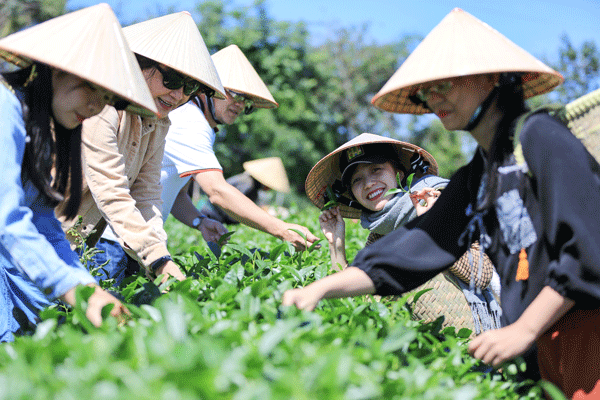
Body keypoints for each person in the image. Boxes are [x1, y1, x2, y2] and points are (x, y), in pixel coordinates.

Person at [283, 8, 600, 399]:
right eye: (426, 91)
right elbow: (420, 244)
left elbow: (589, 249)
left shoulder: (539, 137)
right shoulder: (478, 174)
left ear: (493, 76)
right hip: (545, 346)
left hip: (586, 331)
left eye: (445, 85)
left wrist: (524, 329)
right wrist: (319, 289)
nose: (434, 99)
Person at [0, 4, 157, 341]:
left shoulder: (38, 129)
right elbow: (5, 220)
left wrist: (87, 288)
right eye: (91, 88)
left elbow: (43, 221)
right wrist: (71, 288)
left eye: (107, 97)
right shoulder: (4, 108)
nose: (97, 105)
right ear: (56, 70)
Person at [57, 11, 226, 287]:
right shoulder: (103, 107)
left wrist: (159, 255)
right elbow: (110, 189)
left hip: (70, 247)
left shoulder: (158, 124)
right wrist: (158, 260)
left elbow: (146, 195)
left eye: (190, 87)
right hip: (31, 235)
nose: (178, 95)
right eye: (171, 80)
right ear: (139, 65)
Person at [304, 132, 501, 333]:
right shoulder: (378, 234)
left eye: (376, 170)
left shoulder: (437, 202)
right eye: (357, 180)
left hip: (478, 333)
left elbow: (481, 274)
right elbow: (359, 299)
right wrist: (336, 244)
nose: (368, 183)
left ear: (398, 173)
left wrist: (430, 227)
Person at [161, 44, 318, 250]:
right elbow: (217, 190)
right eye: (235, 94)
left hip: (138, 238)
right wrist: (280, 229)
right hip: (117, 238)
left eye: (246, 100)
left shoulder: (201, 125)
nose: (240, 105)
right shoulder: (191, 122)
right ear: (207, 88)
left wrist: (200, 221)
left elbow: (177, 195)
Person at [199, 157, 291, 224]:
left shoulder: (253, 188)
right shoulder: (247, 183)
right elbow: (233, 205)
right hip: (210, 213)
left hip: (219, 216)